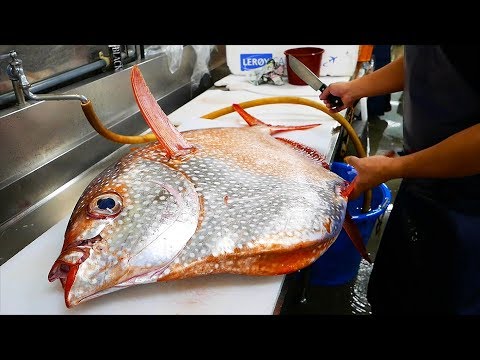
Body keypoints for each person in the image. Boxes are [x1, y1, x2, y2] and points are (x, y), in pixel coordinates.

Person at [319, 45, 480, 315]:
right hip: (423, 177)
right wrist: (356, 88)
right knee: (395, 294)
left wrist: (398, 167)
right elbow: (427, 59)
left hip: (469, 204)